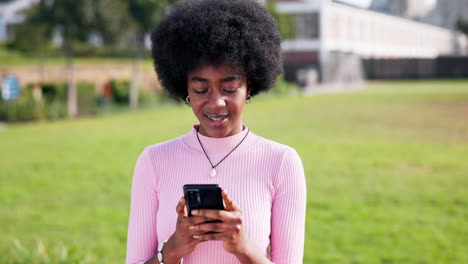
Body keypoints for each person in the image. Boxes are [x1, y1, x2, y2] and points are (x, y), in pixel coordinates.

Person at [125, 0, 306, 263]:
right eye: (201, 89)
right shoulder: (153, 161)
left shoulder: (282, 163)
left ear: (249, 87)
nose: (215, 102)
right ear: (185, 88)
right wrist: (173, 249)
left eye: (230, 88)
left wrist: (244, 247)